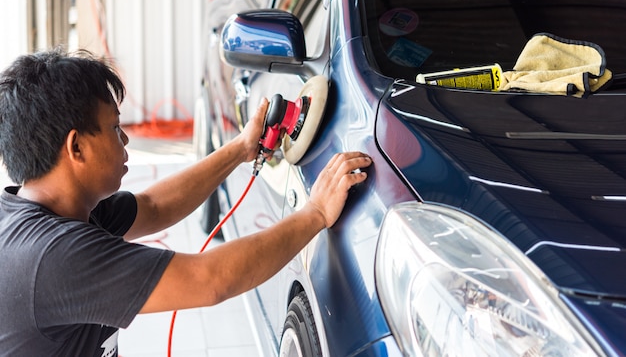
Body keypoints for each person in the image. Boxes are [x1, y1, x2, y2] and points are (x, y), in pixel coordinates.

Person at [0, 47, 371, 357]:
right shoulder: (56, 257)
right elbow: (211, 280)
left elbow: (154, 207)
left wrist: (240, 149)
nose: (126, 140)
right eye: (115, 128)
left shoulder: (55, 209)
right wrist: (317, 212)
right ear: (76, 147)